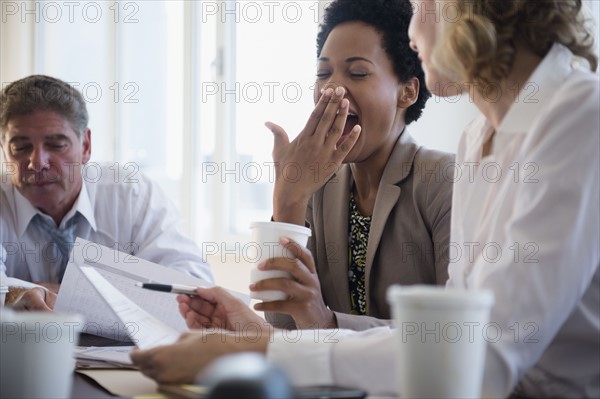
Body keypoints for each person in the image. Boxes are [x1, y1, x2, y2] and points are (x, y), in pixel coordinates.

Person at [131, 0, 599, 397]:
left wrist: (258, 348)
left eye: (423, 4)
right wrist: (263, 333)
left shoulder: (580, 119)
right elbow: (441, 340)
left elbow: (480, 358)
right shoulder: (480, 138)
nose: (414, 29)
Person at [256, 0, 454, 331]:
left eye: (358, 72)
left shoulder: (444, 181)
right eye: (323, 73)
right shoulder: (317, 187)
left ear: (407, 92)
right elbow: (283, 324)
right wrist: (287, 200)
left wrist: (327, 322)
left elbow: (454, 333)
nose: (331, 89)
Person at [0, 75, 214, 311]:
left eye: (56, 145)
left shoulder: (130, 195)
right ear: (3, 150)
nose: (37, 163)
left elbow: (193, 285)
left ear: (86, 147)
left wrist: (69, 293)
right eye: (20, 147)